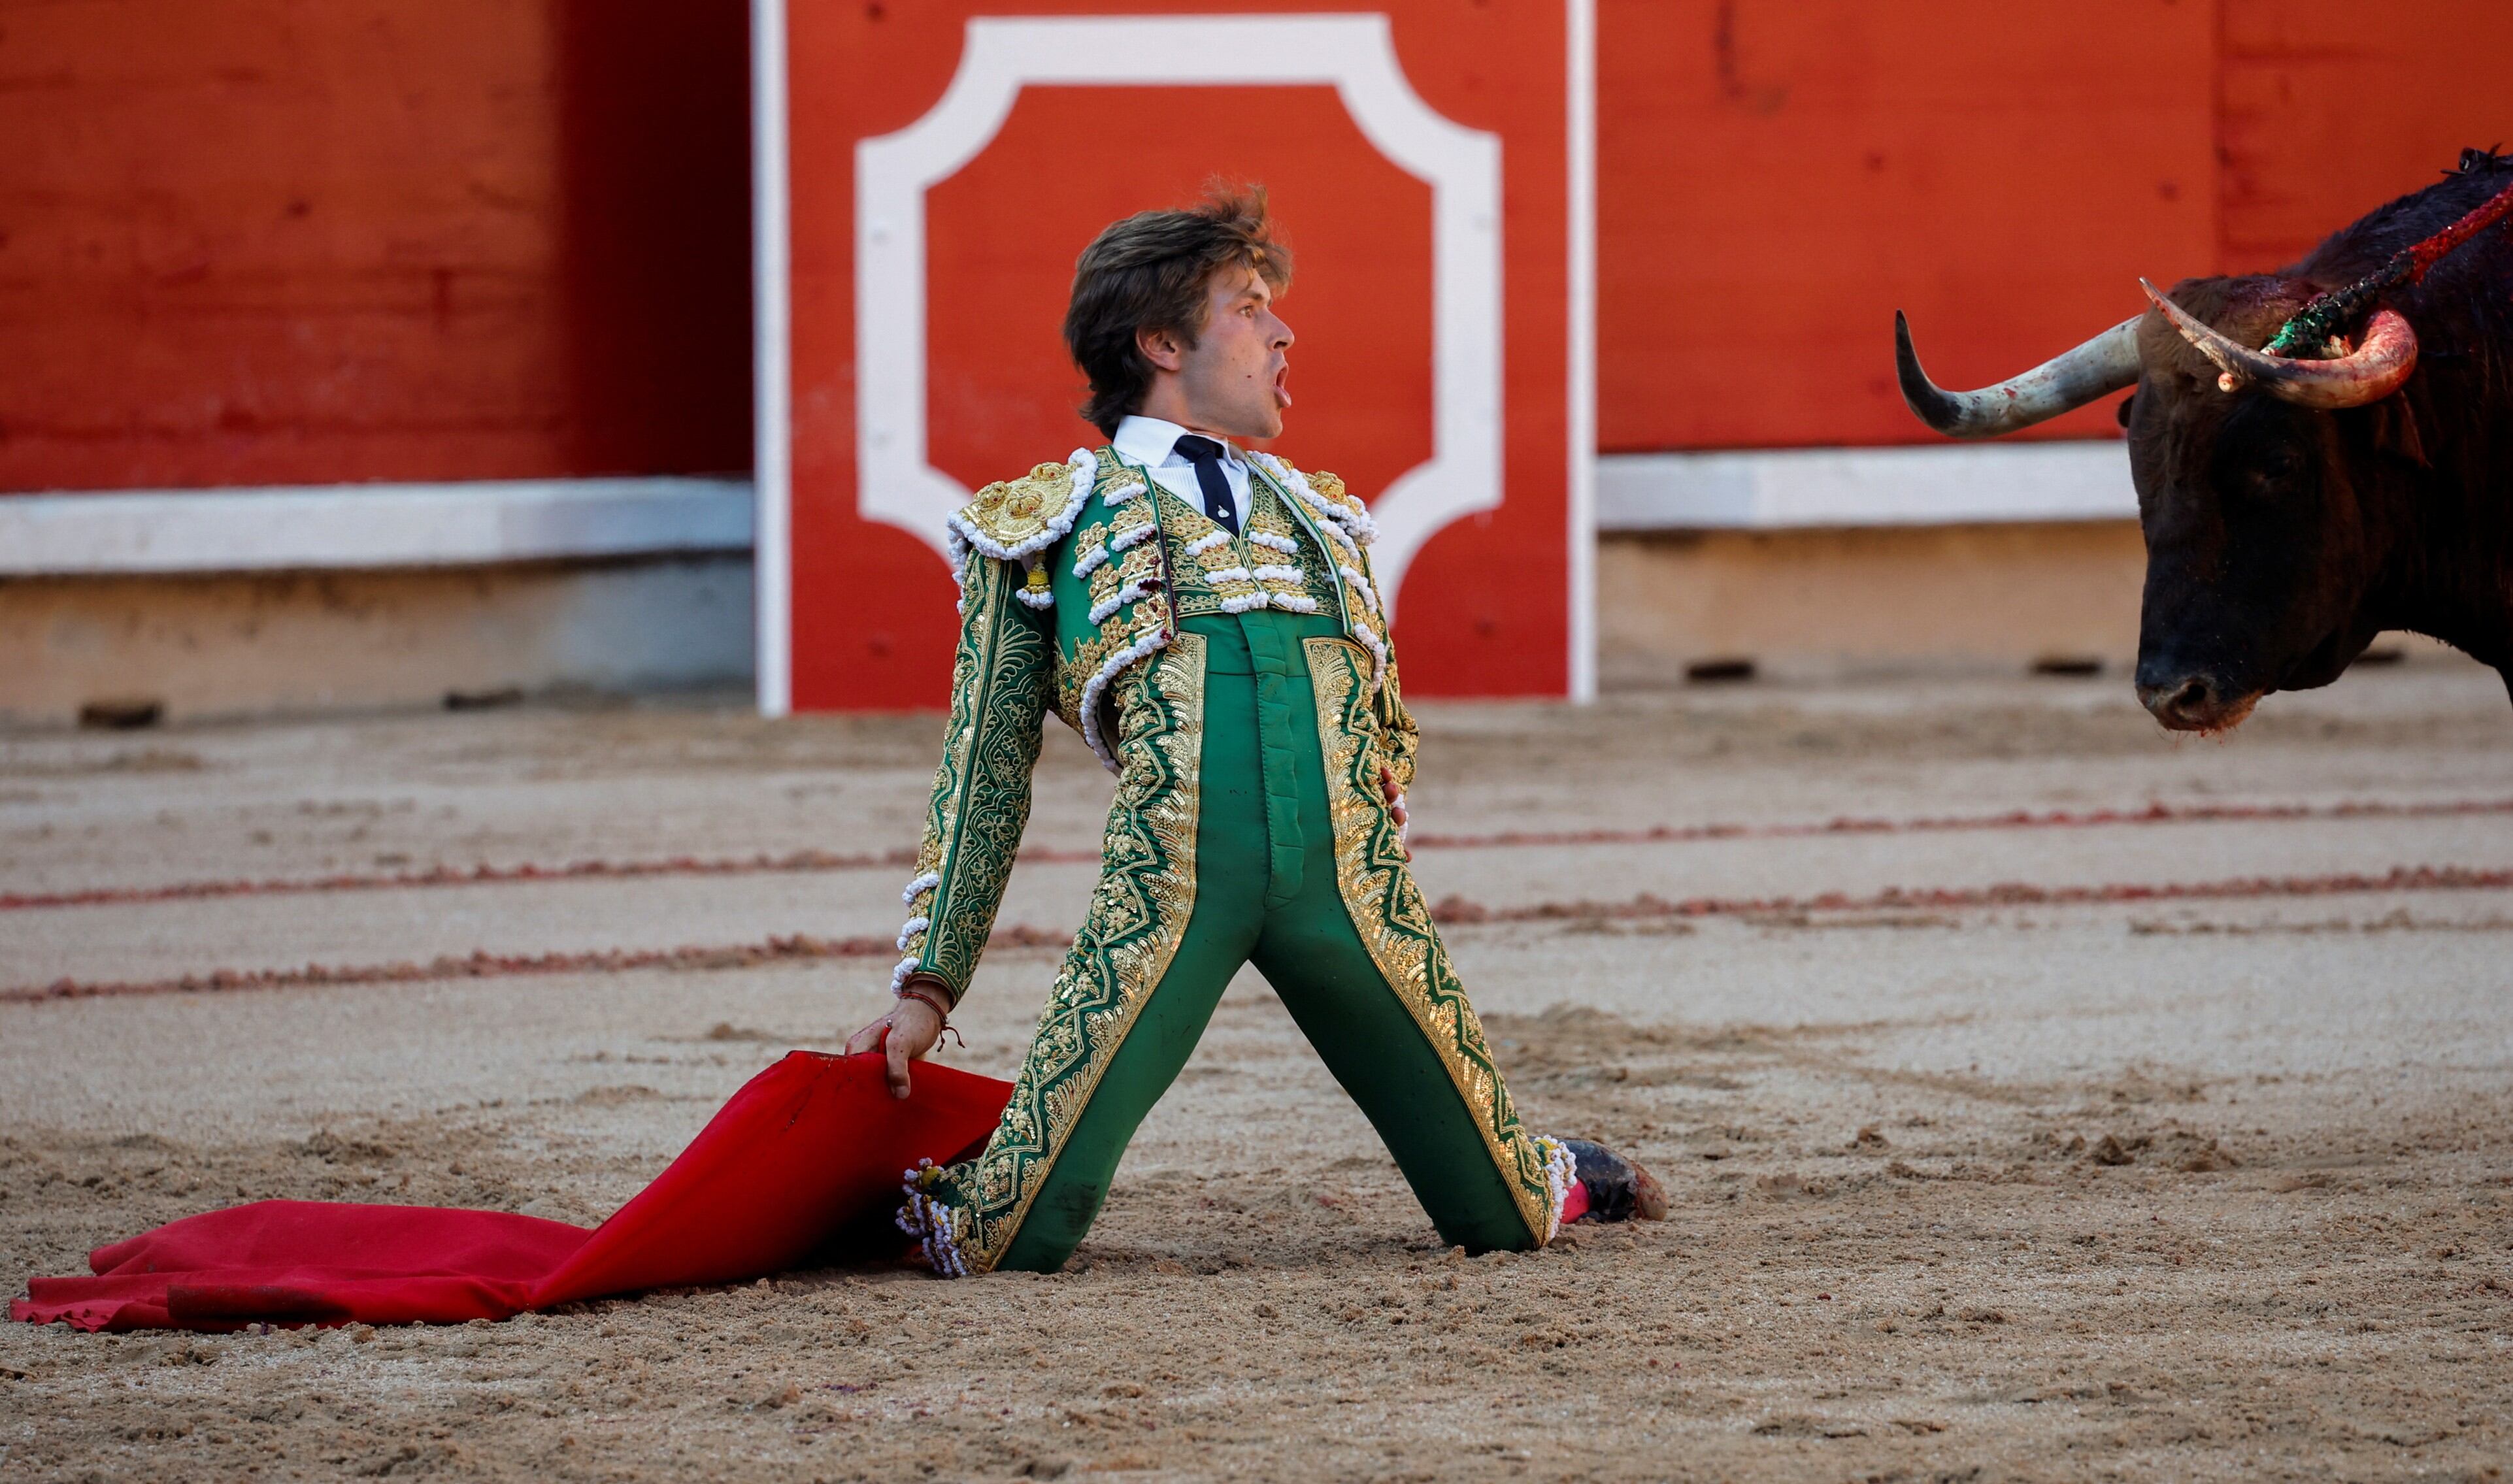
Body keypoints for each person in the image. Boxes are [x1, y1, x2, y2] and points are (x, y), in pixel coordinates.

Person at [846, 188, 1664, 1276]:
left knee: (1504, 1214)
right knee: (1003, 1233)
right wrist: (927, 991)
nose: (1281, 333)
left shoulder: (1322, 517)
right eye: (1248, 306)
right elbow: (987, 767)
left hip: (1348, 896)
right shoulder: (1043, 523)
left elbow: (1382, 738)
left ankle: (1548, 1163)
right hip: (1168, 896)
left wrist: (1392, 895)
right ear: (1160, 341)